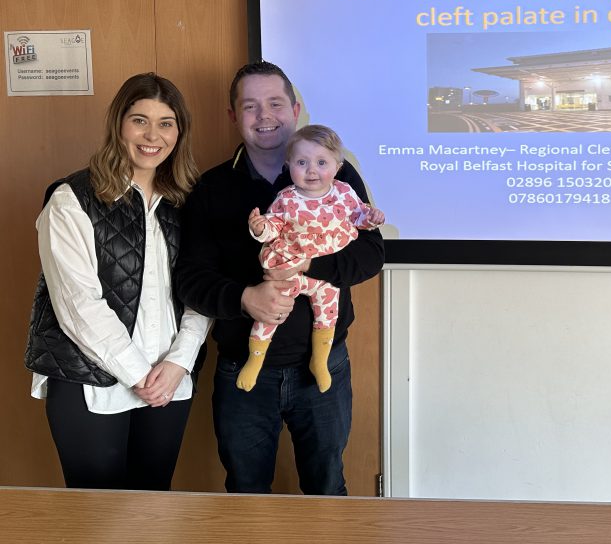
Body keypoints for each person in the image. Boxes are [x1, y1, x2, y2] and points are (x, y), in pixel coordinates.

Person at [175, 61, 384, 495]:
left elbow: (371, 255)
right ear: (234, 116)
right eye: (250, 106)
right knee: (247, 494)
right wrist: (244, 299)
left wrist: (309, 265)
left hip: (324, 367)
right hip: (242, 373)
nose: (264, 115)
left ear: (295, 108)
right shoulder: (211, 189)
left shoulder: (337, 176)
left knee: (327, 489)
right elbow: (190, 280)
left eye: (274, 103)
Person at [25, 72, 211, 490]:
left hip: (169, 381)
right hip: (89, 379)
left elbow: (200, 291)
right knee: (97, 518)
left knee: (153, 510)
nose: (153, 135)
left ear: (179, 132)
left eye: (166, 123)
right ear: (118, 124)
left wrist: (179, 361)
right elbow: (78, 305)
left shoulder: (186, 201)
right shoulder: (71, 199)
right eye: (139, 120)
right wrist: (138, 374)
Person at [240, 124, 385, 392]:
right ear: (289, 165)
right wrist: (259, 227)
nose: (312, 170)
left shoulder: (344, 193)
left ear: (338, 166)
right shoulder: (286, 199)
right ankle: (255, 359)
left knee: (328, 312)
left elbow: (358, 217)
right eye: (302, 162)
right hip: (289, 269)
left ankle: (320, 361)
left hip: (324, 275)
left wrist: (372, 218)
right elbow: (274, 226)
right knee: (271, 309)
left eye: (321, 162)